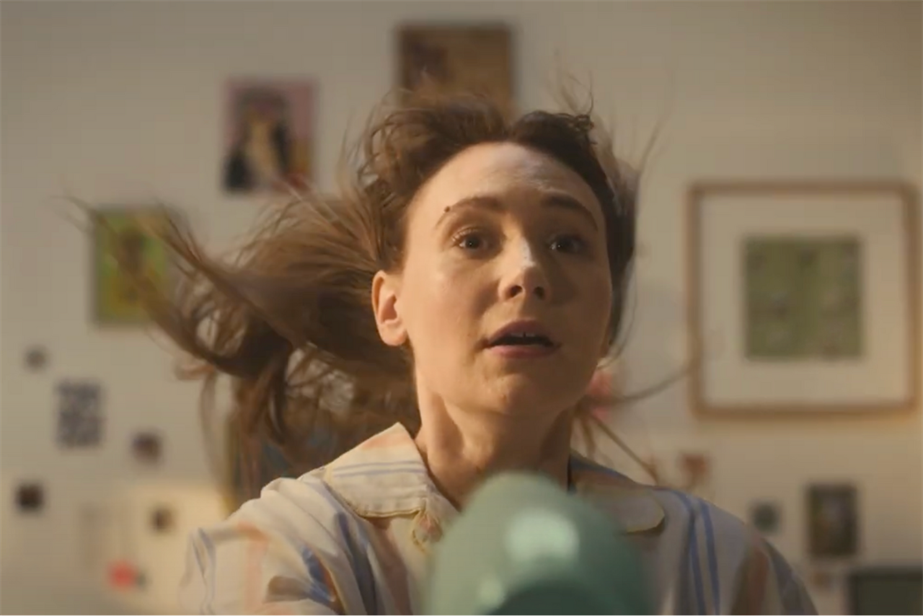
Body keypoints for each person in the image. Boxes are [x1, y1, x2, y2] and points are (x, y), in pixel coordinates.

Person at [135, 86, 816, 614]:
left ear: (606, 320)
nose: (528, 271)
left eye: (568, 242)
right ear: (390, 306)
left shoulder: (730, 571)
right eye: (472, 239)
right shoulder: (281, 552)